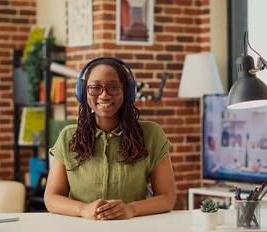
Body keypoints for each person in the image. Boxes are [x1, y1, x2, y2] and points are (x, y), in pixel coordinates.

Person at [44, 57, 176, 220]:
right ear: (83, 92)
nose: (104, 95)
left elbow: (167, 198)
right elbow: (51, 198)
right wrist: (83, 209)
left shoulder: (151, 134)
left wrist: (131, 209)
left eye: (113, 87)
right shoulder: (68, 137)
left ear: (127, 91)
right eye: (95, 87)